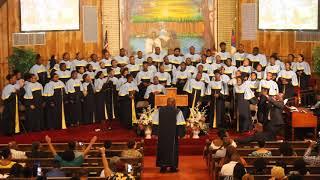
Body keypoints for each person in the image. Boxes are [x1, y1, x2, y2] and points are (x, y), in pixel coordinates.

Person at [152, 98, 186, 173]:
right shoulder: (177, 111)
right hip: (173, 135)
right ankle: (172, 167)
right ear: (174, 103)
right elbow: (180, 124)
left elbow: (155, 122)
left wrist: (155, 133)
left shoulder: (159, 110)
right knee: (173, 150)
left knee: (162, 149)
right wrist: (180, 134)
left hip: (162, 135)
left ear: (167, 103)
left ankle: (162, 167)